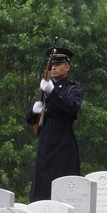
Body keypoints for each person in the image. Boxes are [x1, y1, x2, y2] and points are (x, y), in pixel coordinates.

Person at [25, 46, 83, 202]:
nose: (54, 68)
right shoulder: (45, 89)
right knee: (41, 187)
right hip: (46, 139)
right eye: (52, 65)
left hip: (62, 140)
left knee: (61, 184)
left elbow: (72, 108)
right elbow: (30, 120)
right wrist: (34, 110)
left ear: (67, 67)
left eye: (58, 64)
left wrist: (52, 92)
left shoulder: (73, 87)